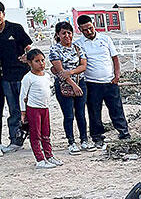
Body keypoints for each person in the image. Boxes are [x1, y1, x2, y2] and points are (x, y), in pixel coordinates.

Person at [75, 15, 130, 148]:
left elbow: (115, 58)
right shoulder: (78, 44)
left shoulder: (105, 39)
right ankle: (97, 137)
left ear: (93, 25)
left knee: (116, 109)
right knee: (94, 112)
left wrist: (117, 76)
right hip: (91, 83)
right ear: (80, 30)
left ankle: (124, 133)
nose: (88, 32)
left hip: (110, 82)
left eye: (90, 28)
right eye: (85, 30)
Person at [49, 22, 93, 154]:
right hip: (64, 86)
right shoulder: (55, 50)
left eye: (69, 33)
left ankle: (84, 140)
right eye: (64, 33)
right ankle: (71, 142)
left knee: (81, 113)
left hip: (81, 82)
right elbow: (60, 71)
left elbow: (83, 66)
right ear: (58, 34)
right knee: (68, 115)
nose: (67, 35)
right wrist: (73, 85)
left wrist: (72, 72)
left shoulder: (77, 48)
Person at [19, 49, 63, 168]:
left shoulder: (47, 76)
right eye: (37, 61)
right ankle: (40, 159)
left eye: (42, 60)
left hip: (45, 108)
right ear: (30, 63)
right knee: (35, 134)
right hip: (33, 109)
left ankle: (49, 156)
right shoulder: (28, 78)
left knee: (46, 133)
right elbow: (23, 96)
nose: (41, 63)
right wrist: (23, 112)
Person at [0, 1, 33, 153]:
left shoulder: (15, 28)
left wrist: (28, 58)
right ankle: (15, 140)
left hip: (22, 76)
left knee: (28, 108)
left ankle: (36, 139)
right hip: (6, 78)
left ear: (3, 14)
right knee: (13, 110)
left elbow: (29, 48)